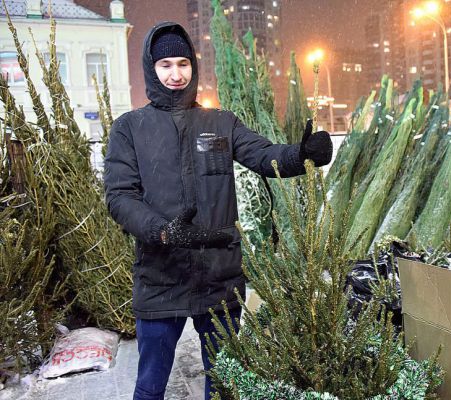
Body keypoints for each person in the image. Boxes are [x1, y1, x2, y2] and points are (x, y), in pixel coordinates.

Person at [103, 22, 333, 400]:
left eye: (183, 63)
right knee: (150, 385)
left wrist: (300, 154)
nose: (176, 74)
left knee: (224, 382)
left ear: (193, 65)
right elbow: (120, 197)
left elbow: (262, 155)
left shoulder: (219, 122)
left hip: (218, 277)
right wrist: (163, 231)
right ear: (151, 68)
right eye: (165, 65)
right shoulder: (130, 128)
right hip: (161, 277)